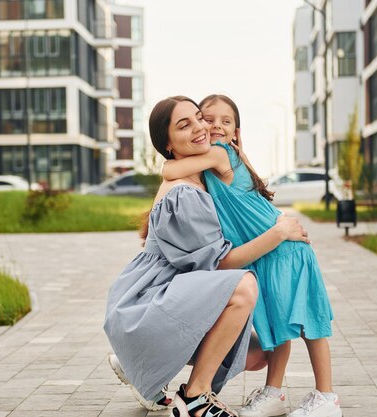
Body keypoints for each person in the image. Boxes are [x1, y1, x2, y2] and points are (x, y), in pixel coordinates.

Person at [103, 96, 310, 417]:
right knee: (242, 286)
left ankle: (140, 365)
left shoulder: (205, 179)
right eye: (184, 125)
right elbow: (221, 264)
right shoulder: (183, 192)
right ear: (168, 144)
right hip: (145, 308)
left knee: (258, 354)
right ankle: (196, 396)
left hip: (170, 299)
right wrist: (279, 234)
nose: (201, 127)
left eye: (199, 118)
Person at [162, 94, 341, 417]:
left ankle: (327, 397)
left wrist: (167, 158)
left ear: (235, 132)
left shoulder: (219, 154)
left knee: (308, 324)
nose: (214, 125)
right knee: (275, 325)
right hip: (268, 253)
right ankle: (274, 393)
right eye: (208, 118)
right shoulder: (226, 159)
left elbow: (170, 170)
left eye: (225, 121)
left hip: (286, 251)